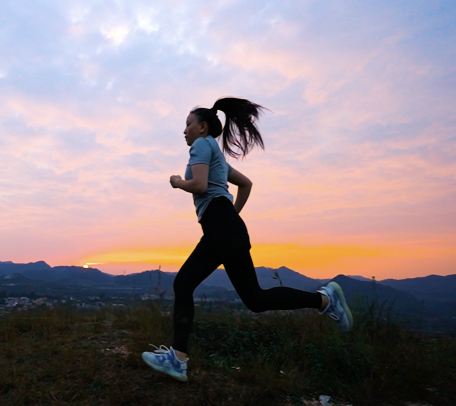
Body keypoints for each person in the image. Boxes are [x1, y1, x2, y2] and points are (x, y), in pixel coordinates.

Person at [141, 97, 353, 382]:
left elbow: (200, 185)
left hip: (222, 227)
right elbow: (246, 184)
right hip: (224, 228)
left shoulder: (202, 146)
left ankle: (178, 359)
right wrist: (231, 216)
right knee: (254, 299)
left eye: (188, 124)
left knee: (186, 284)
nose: (185, 130)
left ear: (203, 127)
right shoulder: (216, 154)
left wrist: (179, 182)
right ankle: (324, 300)